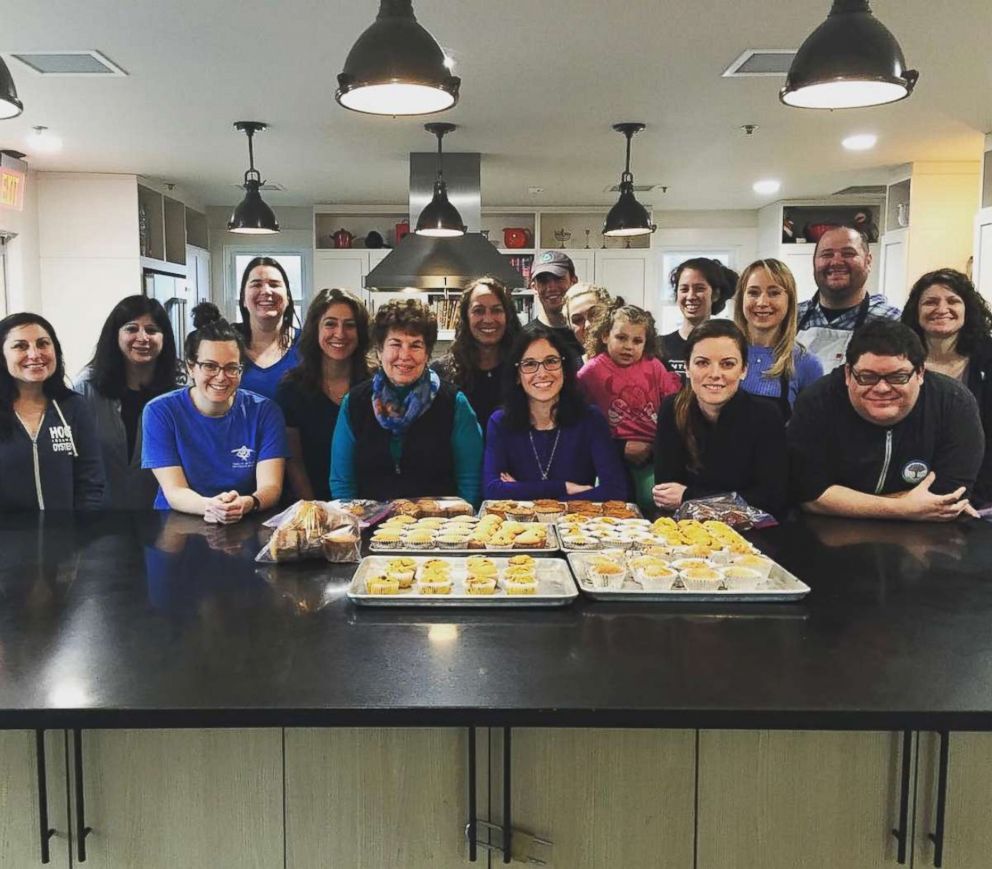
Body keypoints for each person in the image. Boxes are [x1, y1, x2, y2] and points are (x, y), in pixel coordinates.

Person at [788, 319, 984, 521]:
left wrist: (844, 500)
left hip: (926, 534)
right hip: (828, 532)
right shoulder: (817, 401)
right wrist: (902, 508)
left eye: (898, 377)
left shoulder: (954, 403)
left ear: (920, 374)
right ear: (848, 374)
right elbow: (809, 494)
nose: (882, 388)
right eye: (867, 376)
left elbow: (947, 498)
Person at [331, 299, 483, 504]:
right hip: (371, 528)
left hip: (439, 528)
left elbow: (470, 482)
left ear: (427, 353)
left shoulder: (454, 403)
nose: (404, 355)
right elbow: (342, 484)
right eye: (395, 344)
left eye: (415, 345)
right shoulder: (355, 403)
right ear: (379, 351)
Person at [142, 308, 287, 523]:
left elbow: (271, 487)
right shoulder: (160, 411)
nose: (221, 377)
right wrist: (212, 506)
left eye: (231, 368)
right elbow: (174, 490)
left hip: (244, 519)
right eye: (209, 366)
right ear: (191, 367)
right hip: (178, 524)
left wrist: (248, 503)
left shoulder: (265, 412)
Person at [653, 319, 788, 516]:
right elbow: (666, 494)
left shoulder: (767, 415)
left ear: (743, 370)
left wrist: (689, 496)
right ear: (687, 368)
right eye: (702, 363)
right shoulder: (671, 408)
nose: (715, 374)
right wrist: (730, 499)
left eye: (727, 364)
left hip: (751, 535)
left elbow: (771, 499)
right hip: (685, 530)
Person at [484, 325, 628, 501]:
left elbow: (615, 491)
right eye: (529, 364)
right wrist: (565, 487)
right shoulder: (500, 422)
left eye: (551, 361)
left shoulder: (591, 419)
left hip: (576, 525)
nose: (542, 373)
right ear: (517, 375)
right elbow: (493, 491)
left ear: (564, 369)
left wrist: (522, 492)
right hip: (520, 526)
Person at [75, 295, 180, 508]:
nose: (143, 338)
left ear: (165, 337)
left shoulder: (179, 392)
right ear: (115, 335)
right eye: (131, 329)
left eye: (152, 330)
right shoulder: (86, 388)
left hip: (162, 516)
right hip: (99, 519)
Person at [900, 268, 992, 506]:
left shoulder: (988, 358)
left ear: (967, 310)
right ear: (916, 311)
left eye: (953, 301)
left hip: (983, 495)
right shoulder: (899, 360)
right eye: (930, 302)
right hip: (908, 489)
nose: (942, 309)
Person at [578, 303, 681, 507]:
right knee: (616, 501)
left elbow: (674, 408)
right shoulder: (591, 372)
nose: (629, 346)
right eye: (621, 338)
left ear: (646, 343)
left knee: (655, 500)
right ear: (605, 335)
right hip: (612, 451)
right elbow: (578, 417)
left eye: (637, 341)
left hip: (654, 451)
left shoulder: (654, 366)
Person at [0, 312, 105, 510]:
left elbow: (91, 483)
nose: (35, 354)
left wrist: (82, 533)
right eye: (20, 346)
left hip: (66, 537)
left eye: (42, 344)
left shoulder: (74, 406)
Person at [276, 288, 373, 500]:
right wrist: (316, 510)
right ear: (315, 329)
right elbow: (295, 462)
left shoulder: (376, 384)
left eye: (350, 325)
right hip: (313, 506)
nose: (340, 334)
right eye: (330, 323)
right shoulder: (292, 389)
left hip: (370, 506)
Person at [796, 225, 900, 373]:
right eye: (827, 255)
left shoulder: (893, 321)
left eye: (848, 253)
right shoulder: (791, 318)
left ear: (868, 261)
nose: (836, 262)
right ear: (814, 262)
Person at [733, 259, 823, 417]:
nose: (762, 302)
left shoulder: (806, 364)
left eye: (774, 293)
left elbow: (812, 432)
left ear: (789, 300)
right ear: (741, 299)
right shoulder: (723, 354)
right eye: (753, 293)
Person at [431, 276, 522, 432]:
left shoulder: (524, 370)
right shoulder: (440, 373)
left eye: (496, 310)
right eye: (478, 311)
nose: (488, 319)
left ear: (508, 316)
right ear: (466, 317)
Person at [234, 257, 299, 399]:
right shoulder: (226, 344)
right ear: (243, 299)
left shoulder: (308, 344)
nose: (266, 291)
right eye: (256, 285)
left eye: (274, 284)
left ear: (287, 297)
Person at [660, 257, 737, 377]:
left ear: (715, 294)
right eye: (684, 289)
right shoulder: (658, 346)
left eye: (699, 289)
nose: (690, 296)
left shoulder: (728, 346)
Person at [525, 250, 584, 362]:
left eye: (558, 279)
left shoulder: (586, 334)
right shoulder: (525, 338)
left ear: (574, 281)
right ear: (534, 287)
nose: (551, 287)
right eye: (543, 281)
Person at [563, 282, 617, 360]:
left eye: (594, 313)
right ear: (569, 325)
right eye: (577, 320)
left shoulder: (635, 359)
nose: (588, 325)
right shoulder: (570, 369)